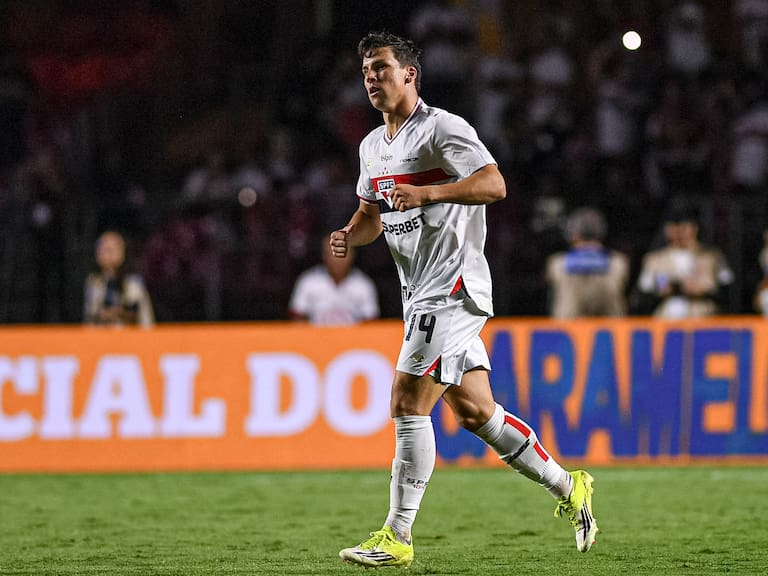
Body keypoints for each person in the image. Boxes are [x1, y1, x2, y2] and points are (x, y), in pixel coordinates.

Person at [332, 32, 598, 569]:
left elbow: (495, 184)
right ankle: (571, 486)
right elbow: (370, 219)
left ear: (409, 73)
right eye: (365, 71)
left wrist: (430, 192)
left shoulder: (442, 129)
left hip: (452, 287)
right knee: (477, 412)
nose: (371, 78)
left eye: (381, 67)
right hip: (418, 293)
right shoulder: (371, 148)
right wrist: (348, 234)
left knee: (407, 401)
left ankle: (397, 535)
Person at [636, 203, 733, 318]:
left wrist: (704, 291)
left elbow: (727, 291)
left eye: (684, 226)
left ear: (695, 228)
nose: (679, 231)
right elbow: (643, 295)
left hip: (703, 318)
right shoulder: (655, 259)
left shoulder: (712, 256)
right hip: (665, 321)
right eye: (674, 226)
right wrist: (662, 292)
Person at [545, 207, 629, 318]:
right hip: (611, 332)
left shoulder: (557, 264)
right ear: (601, 234)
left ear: (573, 235)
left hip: (568, 330)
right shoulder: (619, 263)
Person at [288, 235, 379, 325]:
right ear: (324, 255)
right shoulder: (308, 281)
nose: (337, 259)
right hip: (315, 338)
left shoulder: (363, 285)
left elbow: (370, 323)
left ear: (352, 254)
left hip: (353, 339)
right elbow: (297, 319)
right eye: (332, 253)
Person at [83, 230, 154, 327]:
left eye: (113, 248)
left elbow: (143, 317)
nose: (108, 253)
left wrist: (120, 313)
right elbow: (91, 316)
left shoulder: (133, 282)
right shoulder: (94, 282)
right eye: (104, 248)